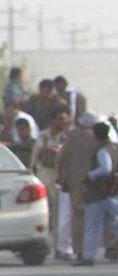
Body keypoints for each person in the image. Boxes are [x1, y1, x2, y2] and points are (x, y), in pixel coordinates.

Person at [72, 123, 118, 267]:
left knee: (93, 225)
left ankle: (88, 257)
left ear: (95, 135)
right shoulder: (117, 147)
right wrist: (117, 127)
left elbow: (106, 169)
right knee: (117, 223)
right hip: (114, 193)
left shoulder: (102, 151)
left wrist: (90, 176)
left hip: (99, 193)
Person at [30, 106, 72, 260]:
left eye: (65, 119)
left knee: (60, 214)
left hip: (58, 175)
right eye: (60, 119)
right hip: (43, 174)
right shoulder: (44, 136)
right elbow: (35, 157)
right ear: (53, 120)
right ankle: (42, 246)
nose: (63, 122)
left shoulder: (66, 138)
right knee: (43, 213)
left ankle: (60, 248)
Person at [56, 111, 100, 259]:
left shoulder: (71, 138)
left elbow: (60, 159)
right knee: (100, 216)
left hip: (75, 183)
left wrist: (61, 175)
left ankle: (79, 250)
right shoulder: (97, 138)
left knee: (77, 217)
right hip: (96, 184)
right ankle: (109, 247)